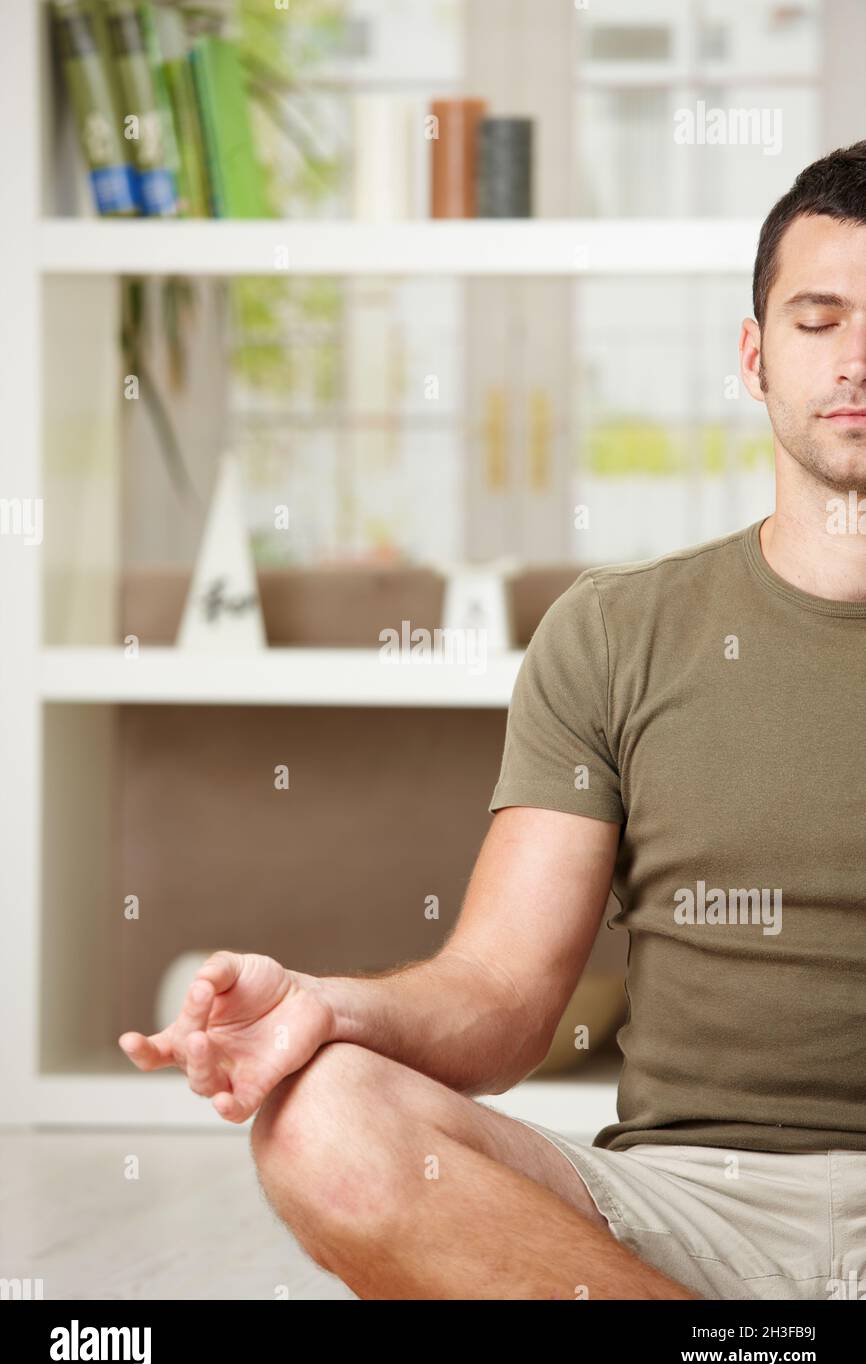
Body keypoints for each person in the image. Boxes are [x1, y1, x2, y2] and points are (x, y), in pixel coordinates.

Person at [118, 140, 866, 1301]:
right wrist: (330, 1006)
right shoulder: (616, 630)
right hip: (673, 1216)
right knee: (324, 1119)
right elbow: (503, 999)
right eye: (817, 318)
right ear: (751, 353)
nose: (853, 358)